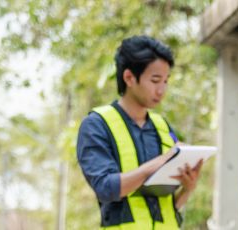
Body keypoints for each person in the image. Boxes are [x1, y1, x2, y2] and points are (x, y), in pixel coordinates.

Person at [76, 35, 202, 230]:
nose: (161, 90)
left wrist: (188, 188)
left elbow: (169, 207)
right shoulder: (97, 125)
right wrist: (161, 161)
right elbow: (106, 188)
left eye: (166, 81)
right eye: (155, 80)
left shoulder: (163, 127)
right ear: (129, 78)